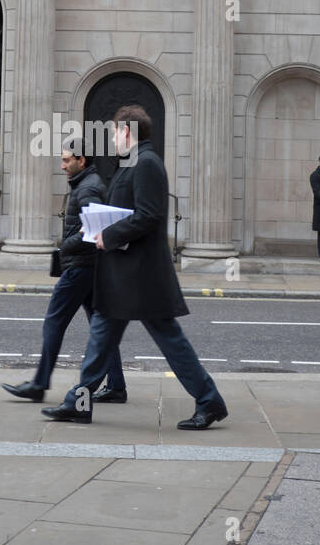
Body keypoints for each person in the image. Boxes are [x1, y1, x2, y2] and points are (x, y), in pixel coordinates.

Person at [41, 105, 228, 429]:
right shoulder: (133, 163)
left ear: (127, 131)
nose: (112, 138)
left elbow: (149, 215)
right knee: (100, 339)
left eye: (114, 132)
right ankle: (79, 403)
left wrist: (108, 235)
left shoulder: (147, 164)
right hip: (123, 274)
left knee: (170, 341)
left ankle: (209, 401)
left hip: (142, 276)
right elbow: (131, 210)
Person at [2, 139, 126, 404]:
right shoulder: (86, 185)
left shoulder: (88, 189)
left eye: (67, 160)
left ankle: (39, 384)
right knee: (101, 327)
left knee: (54, 322)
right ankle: (116, 386)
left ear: (82, 160)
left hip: (80, 267)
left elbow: (93, 231)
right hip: (88, 268)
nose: (62, 165)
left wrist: (64, 248)